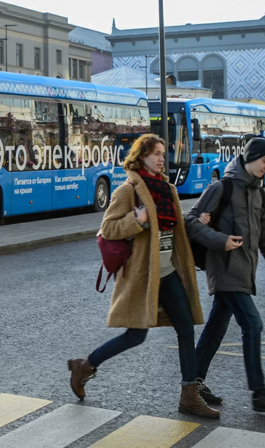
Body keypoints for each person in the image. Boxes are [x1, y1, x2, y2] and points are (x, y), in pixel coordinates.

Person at [67, 134, 218, 419]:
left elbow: (173, 229)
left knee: (186, 328)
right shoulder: (128, 191)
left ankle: (189, 395)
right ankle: (84, 366)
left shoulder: (168, 189)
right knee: (135, 336)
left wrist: (196, 222)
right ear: (141, 157)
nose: (161, 158)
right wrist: (137, 220)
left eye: (163, 153)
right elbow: (108, 229)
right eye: (155, 154)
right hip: (143, 275)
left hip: (168, 271)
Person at [186, 138, 265, 414]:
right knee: (252, 323)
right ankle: (259, 393)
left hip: (244, 270)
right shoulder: (222, 188)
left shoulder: (259, 194)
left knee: (216, 326)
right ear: (251, 158)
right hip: (224, 268)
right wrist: (220, 240)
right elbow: (190, 221)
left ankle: (192, 384)